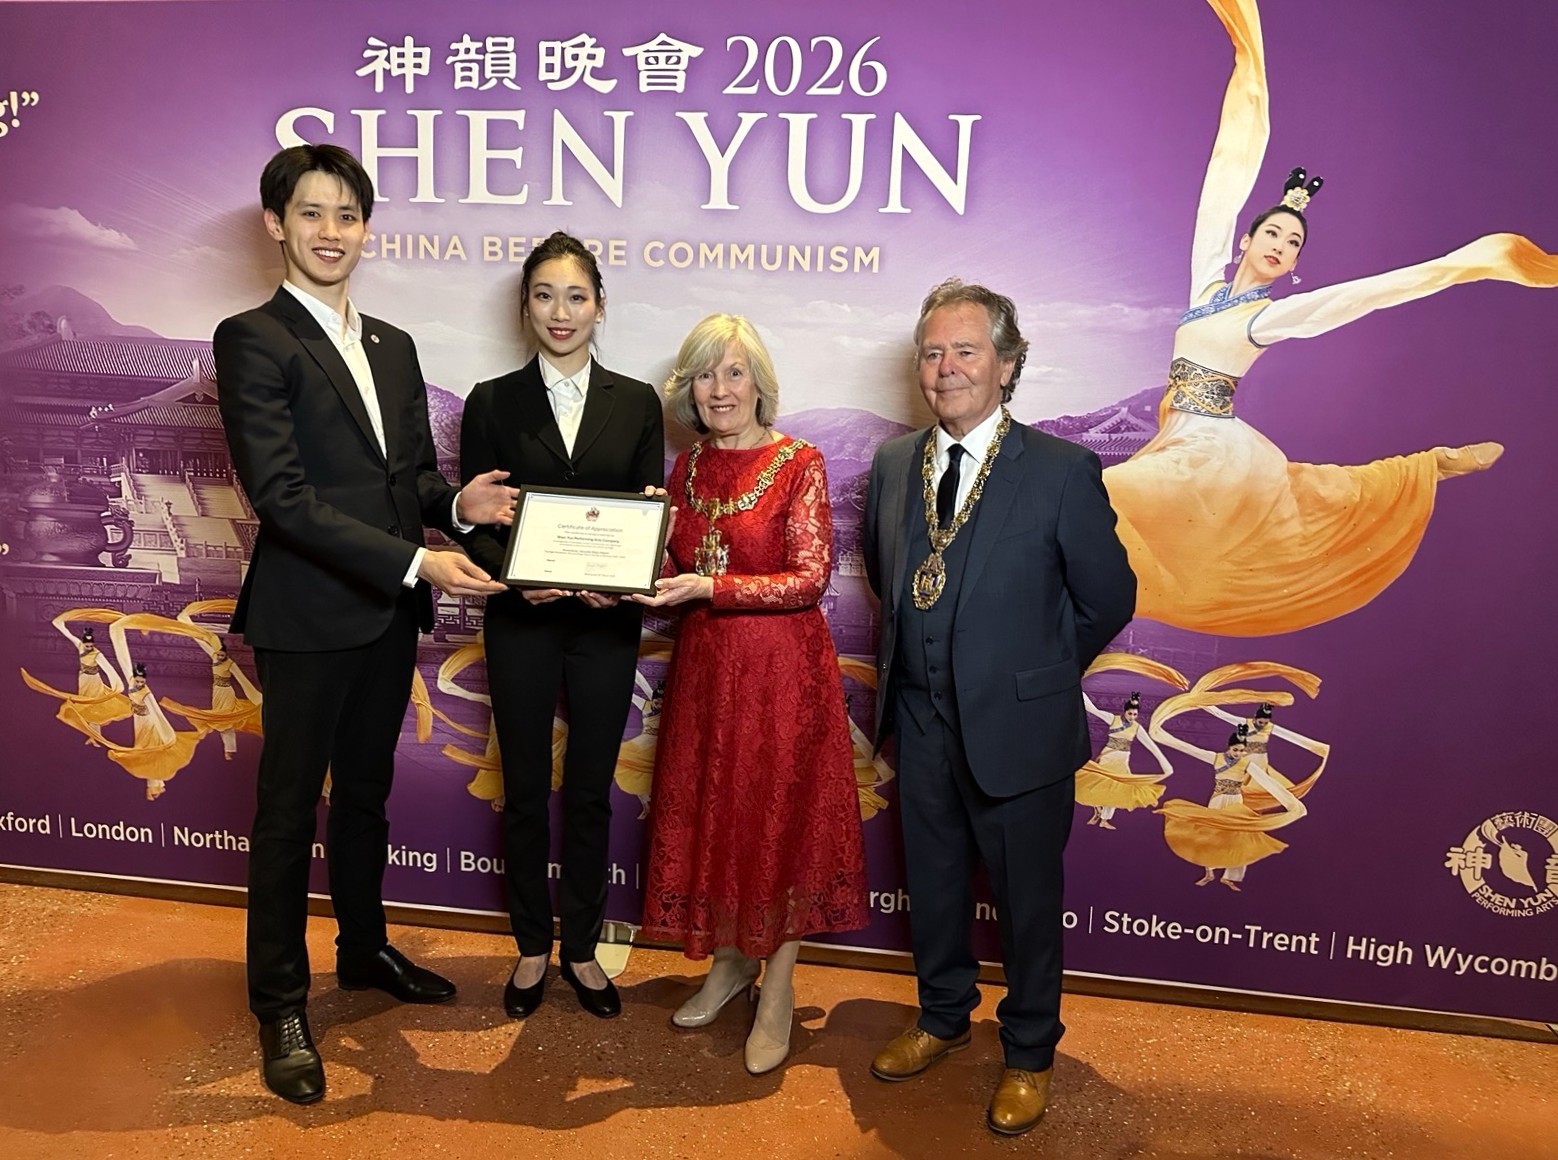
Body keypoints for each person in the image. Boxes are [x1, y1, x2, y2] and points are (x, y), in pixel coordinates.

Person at [214, 143, 516, 1105]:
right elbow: (282, 498)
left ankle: (363, 948)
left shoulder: (392, 343)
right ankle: (280, 1004)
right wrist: (419, 560)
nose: (331, 231)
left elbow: (409, 480)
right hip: (307, 615)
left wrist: (457, 504)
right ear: (277, 224)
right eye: (311, 213)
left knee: (367, 796)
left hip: (386, 614)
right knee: (284, 814)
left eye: (347, 214)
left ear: (366, 229)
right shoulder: (252, 337)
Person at [1103, 0, 1558, 638]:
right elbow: (1225, 175)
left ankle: (1429, 467)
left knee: (1102, 500)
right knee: (1135, 521)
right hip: (1175, 440)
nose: (1280, 245)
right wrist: (1250, 72)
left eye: (1292, 244)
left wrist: (1467, 265)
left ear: (1294, 265)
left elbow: (1371, 294)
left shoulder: (1267, 319)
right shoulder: (1205, 283)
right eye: (1273, 233)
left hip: (1209, 453)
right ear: (1246, 240)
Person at [863, 280, 1136, 1135]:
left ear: (1009, 365)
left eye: (966, 350)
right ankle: (943, 1016)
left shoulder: (1060, 470)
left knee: (1026, 905)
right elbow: (886, 579)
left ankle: (1028, 1052)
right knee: (935, 887)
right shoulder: (893, 465)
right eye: (932, 352)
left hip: (1022, 730)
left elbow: (1108, 597)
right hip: (920, 722)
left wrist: (1034, 675)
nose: (945, 368)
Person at [633, 314, 869, 1075]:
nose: (719, 389)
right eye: (705, 374)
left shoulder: (800, 461)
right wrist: (636, 557)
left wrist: (712, 587)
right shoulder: (687, 467)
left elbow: (809, 578)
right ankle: (731, 964)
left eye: (734, 372)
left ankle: (779, 986)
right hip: (706, 671)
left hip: (781, 675)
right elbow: (671, 571)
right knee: (720, 811)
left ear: (759, 382)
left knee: (779, 819)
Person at [457, 231, 664, 1022]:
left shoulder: (637, 402)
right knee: (521, 790)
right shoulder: (490, 400)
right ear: (525, 307)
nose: (561, 311)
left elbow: (647, 516)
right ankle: (529, 945)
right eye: (544, 295)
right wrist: (515, 574)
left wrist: (630, 575)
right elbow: (476, 522)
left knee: (588, 791)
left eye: (576, 296)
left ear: (600, 305)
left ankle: (580, 946)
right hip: (523, 620)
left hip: (606, 627)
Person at [1076, 692, 1173, 830]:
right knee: (1099, 785)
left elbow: (1151, 746)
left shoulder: (1137, 727)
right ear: (1124, 712)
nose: (1132, 717)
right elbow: (1093, 709)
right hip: (1108, 757)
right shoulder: (1113, 719)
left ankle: (1104, 819)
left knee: (1118, 790)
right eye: (1130, 714)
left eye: (1135, 715)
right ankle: (1098, 810)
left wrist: (1165, 765)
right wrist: (1079, 691)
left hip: (1121, 761)